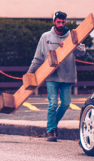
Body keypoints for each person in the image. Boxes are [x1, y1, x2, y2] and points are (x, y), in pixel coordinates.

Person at [28, 11, 83, 141]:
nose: (61, 24)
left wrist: (72, 44)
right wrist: (29, 73)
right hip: (51, 76)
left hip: (67, 75)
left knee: (66, 103)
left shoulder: (71, 36)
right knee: (53, 103)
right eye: (58, 22)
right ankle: (51, 130)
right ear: (54, 22)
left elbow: (82, 52)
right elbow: (38, 58)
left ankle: (52, 124)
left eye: (63, 22)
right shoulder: (45, 37)